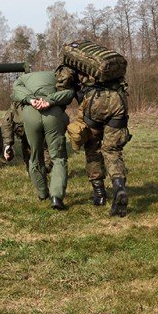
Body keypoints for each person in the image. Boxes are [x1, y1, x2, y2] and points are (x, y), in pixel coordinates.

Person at [56, 65, 131, 217]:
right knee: (112, 149)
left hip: (94, 102)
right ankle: (119, 186)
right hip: (118, 99)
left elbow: (62, 83)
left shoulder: (75, 62)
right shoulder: (106, 61)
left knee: (93, 148)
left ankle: (99, 194)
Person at [11, 71, 75, 210]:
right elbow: (69, 93)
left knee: (34, 156)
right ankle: (56, 197)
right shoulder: (57, 76)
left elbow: (15, 92)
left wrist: (31, 100)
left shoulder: (22, 79)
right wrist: (49, 101)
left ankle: (42, 194)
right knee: (58, 158)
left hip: (30, 114)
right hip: (53, 113)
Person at [0, 101, 36, 168]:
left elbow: (7, 122)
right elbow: (7, 122)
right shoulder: (17, 102)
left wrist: (7, 145)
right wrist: (8, 145)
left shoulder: (18, 99)